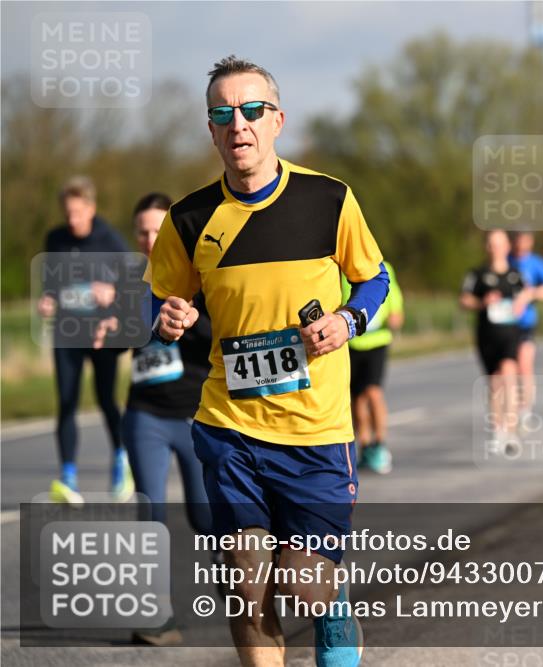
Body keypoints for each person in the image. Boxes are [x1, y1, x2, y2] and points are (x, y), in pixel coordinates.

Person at [146, 56, 388, 667]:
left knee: (304, 585)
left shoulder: (328, 199)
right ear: (211, 129)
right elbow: (160, 296)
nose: (239, 124)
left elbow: (374, 278)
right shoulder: (189, 218)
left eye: (252, 110)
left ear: (277, 120)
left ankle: (333, 601)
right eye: (223, 113)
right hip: (230, 424)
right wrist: (165, 317)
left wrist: (348, 320)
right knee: (245, 577)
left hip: (315, 430)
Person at [104, 193, 213, 646]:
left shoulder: (198, 274)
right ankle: (157, 618)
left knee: (207, 516)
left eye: (157, 230)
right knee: (150, 513)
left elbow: (217, 335)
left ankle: (243, 597)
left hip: (195, 413)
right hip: (145, 415)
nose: (150, 240)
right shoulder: (131, 283)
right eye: (142, 232)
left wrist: (186, 316)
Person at [39, 176, 133, 505]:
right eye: (67, 213)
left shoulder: (111, 240)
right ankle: (67, 477)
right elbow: (51, 284)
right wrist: (48, 299)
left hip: (101, 334)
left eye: (77, 213)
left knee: (106, 399)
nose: (72, 219)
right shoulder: (55, 239)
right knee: (67, 402)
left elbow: (134, 285)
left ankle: (121, 460)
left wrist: (113, 292)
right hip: (67, 333)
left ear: (91, 209)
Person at [461, 230, 532, 451]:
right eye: (492, 244)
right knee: (494, 381)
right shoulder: (477, 274)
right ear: (487, 247)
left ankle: (511, 431)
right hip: (487, 334)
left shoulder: (516, 274)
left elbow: (527, 294)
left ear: (507, 247)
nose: (496, 249)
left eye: (499, 244)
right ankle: (498, 428)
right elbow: (464, 300)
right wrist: (482, 302)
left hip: (510, 333)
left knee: (509, 374)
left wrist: (522, 302)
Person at [342, 261, 404, 474]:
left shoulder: (384, 267)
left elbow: (394, 301)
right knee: (357, 397)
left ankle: (380, 443)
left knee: (373, 391)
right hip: (351, 343)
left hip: (378, 341)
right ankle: (365, 446)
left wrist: (395, 316)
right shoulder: (341, 268)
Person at [508, 231, 543, 421]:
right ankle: (510, 409)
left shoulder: (537, 263)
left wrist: (532, 294)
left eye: (525, 240)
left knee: (524, 365)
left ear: (531, 242)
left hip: (525, 322)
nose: (521, 244)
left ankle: (525, 409)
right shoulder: (505, 260)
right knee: (508, 369)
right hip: (503, 324)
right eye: (517, 240)